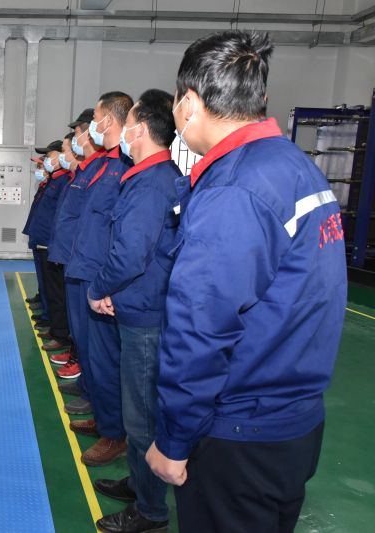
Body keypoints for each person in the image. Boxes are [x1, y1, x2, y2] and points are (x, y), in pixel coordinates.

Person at [146, 31, 347, 533]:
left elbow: (200, 328)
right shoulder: (295, 166)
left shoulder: (234, 189)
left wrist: (174, 439)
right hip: (294, 419)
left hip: (239, 431)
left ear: (189, 103)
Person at [87, 89, 182, 533]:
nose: (122, 130)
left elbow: (130, 255)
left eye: (127, 124)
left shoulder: (151, 183)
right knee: (137, 409)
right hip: (137, 306)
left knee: (142, 418)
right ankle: (140, 484)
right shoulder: (149, 177)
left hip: (145, 316)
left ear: (140, 129)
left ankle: (150, 512)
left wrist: (99, 289)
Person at [65, 92, 134, 468]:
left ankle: (115, 434)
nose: (91, 126)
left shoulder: (124, 164)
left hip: (101, 279)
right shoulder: (105, 164)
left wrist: (106, 283)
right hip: (84, 268)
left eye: (95, 117)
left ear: (110, 119)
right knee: (93, 354)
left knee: (107, 359)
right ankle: (104, 417)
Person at [45, 109, 95, 388]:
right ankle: (73, 352)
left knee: (84, 323)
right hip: (67, 255)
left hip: (81, 260)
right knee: (74, 317)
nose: (67, 151)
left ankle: (80, 366)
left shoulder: (93, 173)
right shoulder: (76, 176)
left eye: (66, 149)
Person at [29, 141, 69, 341]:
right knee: (48, 286)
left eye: (49, 156)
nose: (45, 161)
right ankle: (52, 322)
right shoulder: (53, 180)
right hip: (42, 239)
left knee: (55, 290)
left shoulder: (63, 181)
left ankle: (59, 329)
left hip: (50, 242)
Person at [24, 156, 51, 322]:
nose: (38, 170)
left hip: (45, 239)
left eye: (41, 166)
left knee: (47, 279)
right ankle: (42, 300)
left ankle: (47, 312)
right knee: (42, 276)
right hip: (37, 235)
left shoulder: (53, 185)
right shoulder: (43, 186)